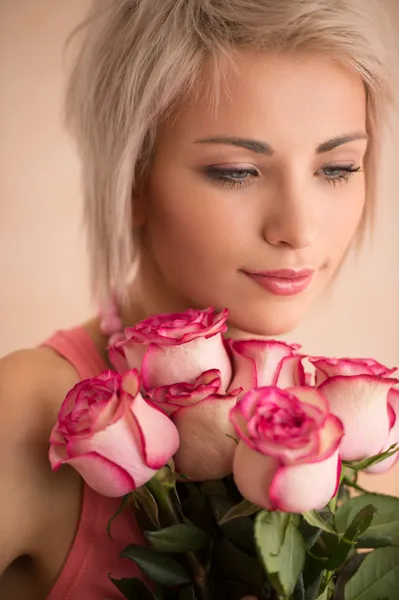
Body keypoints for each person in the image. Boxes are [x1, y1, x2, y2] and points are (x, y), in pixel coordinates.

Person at [0, 0, 394, 599]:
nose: (299, 228)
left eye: (338, 167)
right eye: (237, 171)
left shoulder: (365, 438)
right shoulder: (26, 413)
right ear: (132, 179)